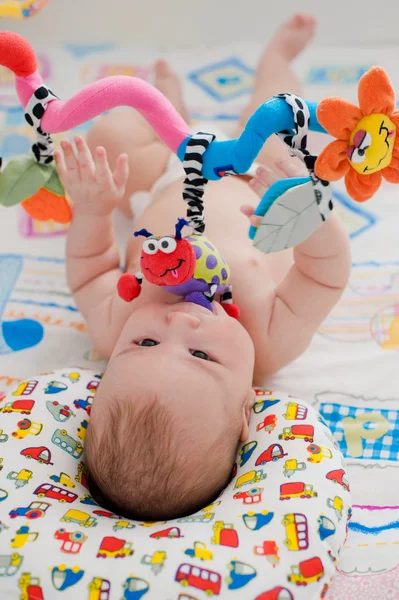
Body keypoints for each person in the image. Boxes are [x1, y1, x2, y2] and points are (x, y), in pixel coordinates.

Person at [56, 14, 351, 520]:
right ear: (245, 415)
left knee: (112, 136)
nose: (179, 323)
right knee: (287, 128)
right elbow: (325, 275)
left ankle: (170, 103)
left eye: (145, 344)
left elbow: (88, 268)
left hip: (165, 174)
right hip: (256, 178)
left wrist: (94, 210)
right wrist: (308, 217)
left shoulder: (116, 322)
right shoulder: (270, 340)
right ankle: (276, 61)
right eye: (202, 355)